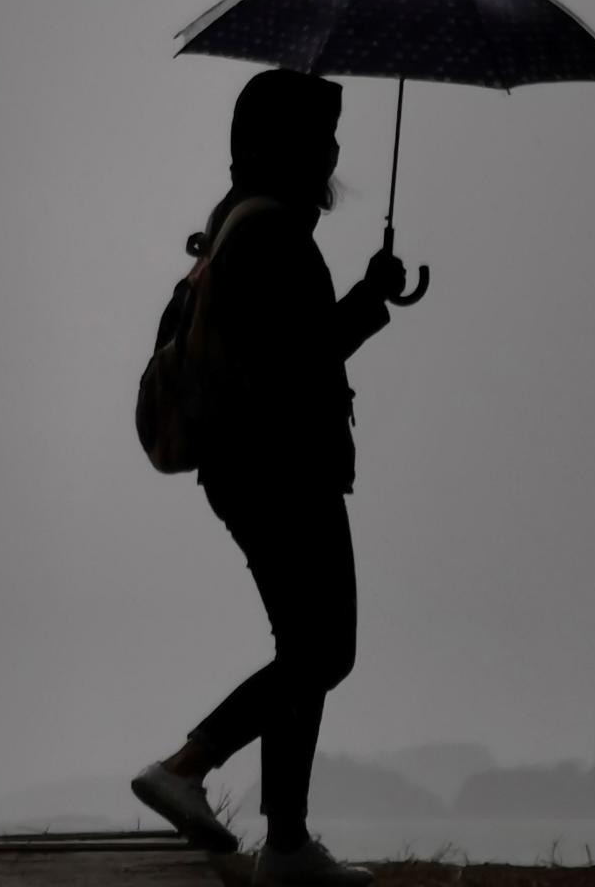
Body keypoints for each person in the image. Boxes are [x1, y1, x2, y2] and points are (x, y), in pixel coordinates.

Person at [130, 68, 407, 887]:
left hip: (254, 469)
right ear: (276, 148)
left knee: (308, 649)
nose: (329, 154)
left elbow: (291, 350)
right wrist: (363, 301)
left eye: (330, 138)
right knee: (324, 649)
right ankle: (186, 766)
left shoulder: (242, 224)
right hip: (280, 469)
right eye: (317, 139)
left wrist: (364, 295)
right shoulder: (272, 236)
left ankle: (286, 846)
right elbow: (297, 365)